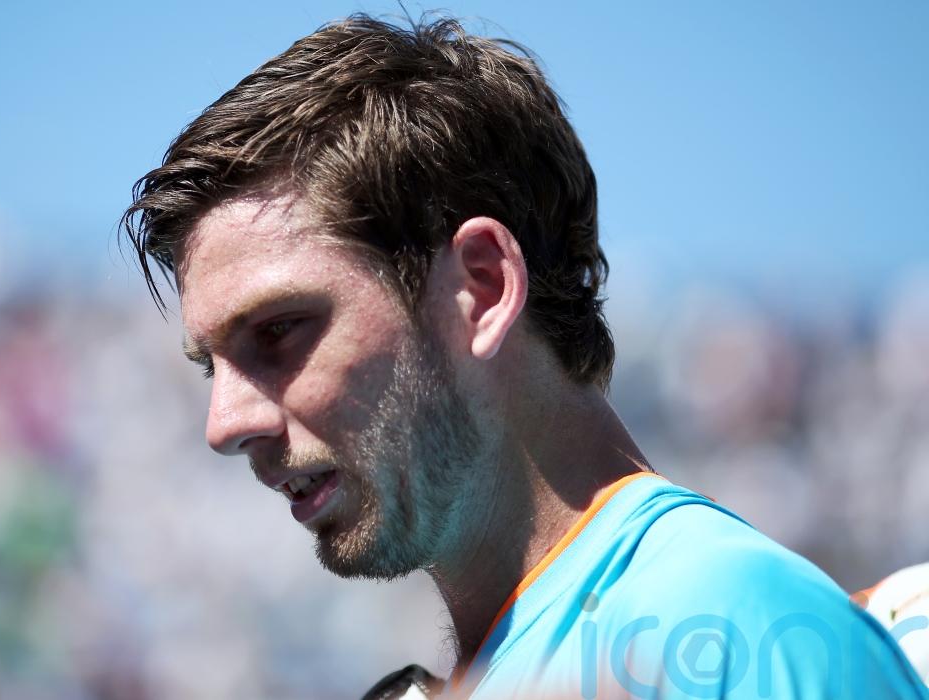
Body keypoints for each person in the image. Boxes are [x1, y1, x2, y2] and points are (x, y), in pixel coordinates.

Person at [122, 14, 928, 698]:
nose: (224, 424)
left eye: (278, 331)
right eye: (211, 366)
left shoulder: (722, 626)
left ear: (481, 288)